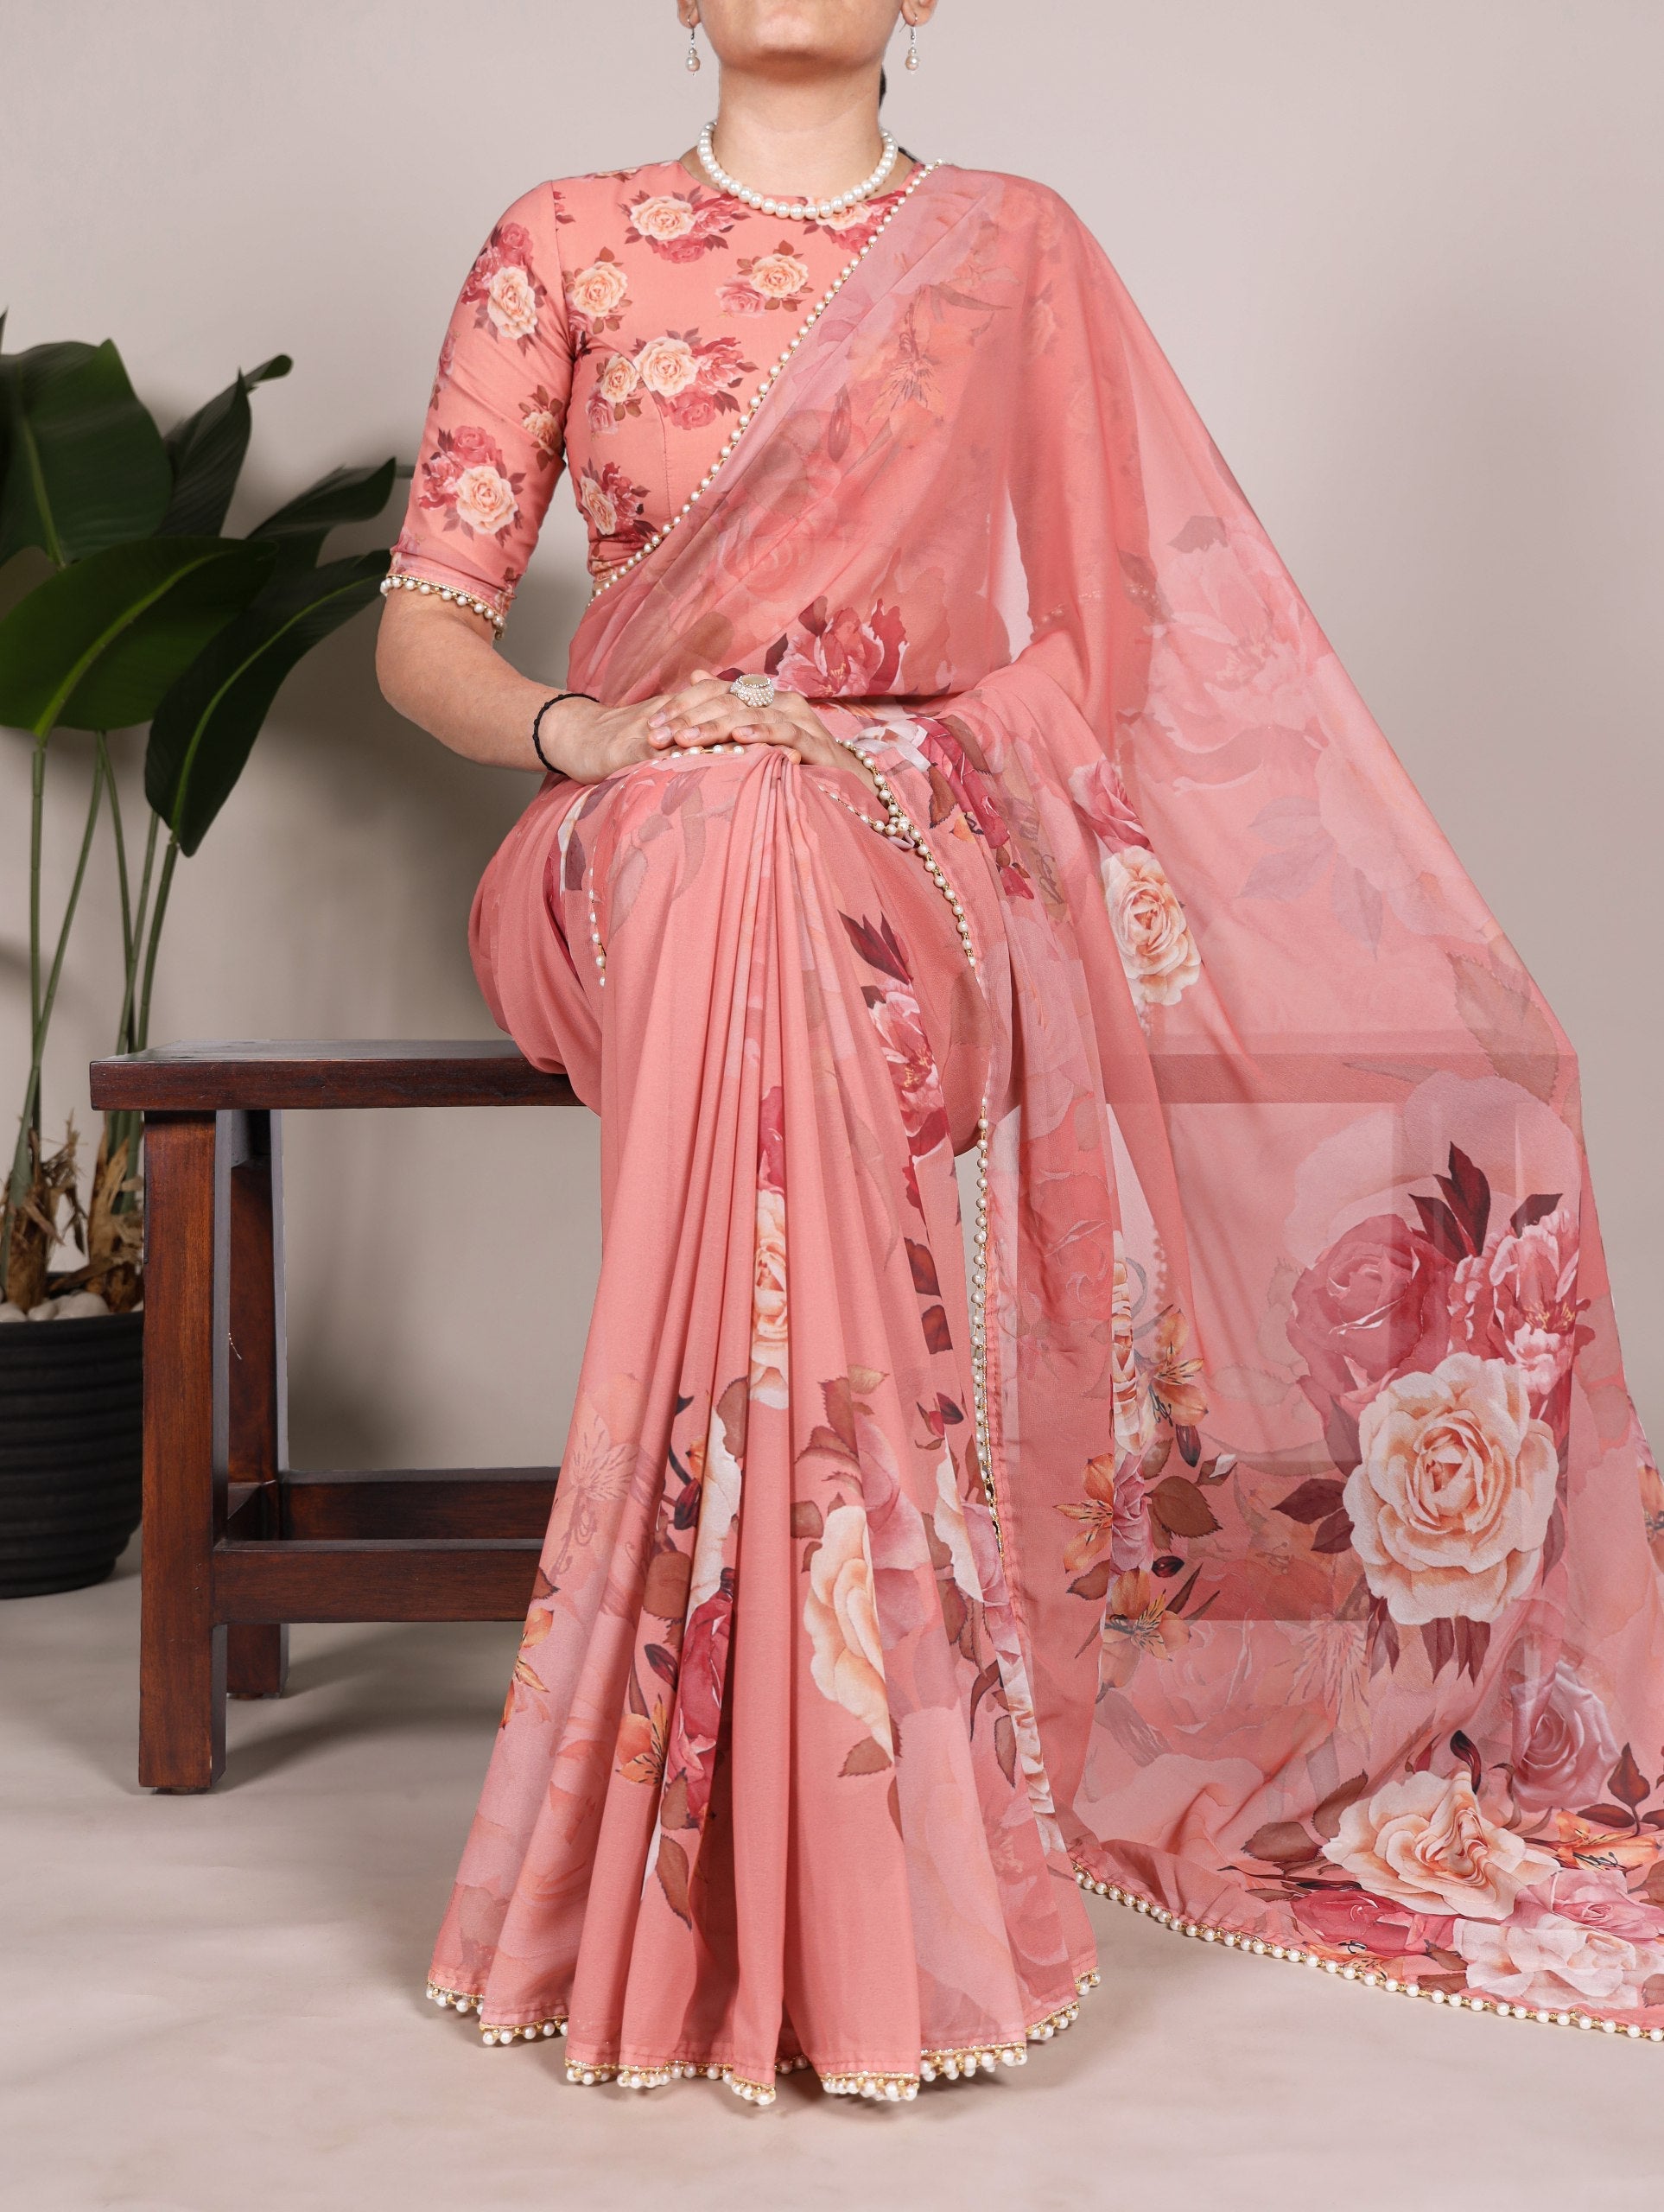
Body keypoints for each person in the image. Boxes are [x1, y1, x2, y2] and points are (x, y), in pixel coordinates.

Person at [375, 0, 1664, 2106]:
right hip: (625, 831)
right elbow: (423, 630)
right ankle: (865, 1831)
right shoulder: (567, 241)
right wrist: (594, 730)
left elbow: (1118, 643)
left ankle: (710, 1820)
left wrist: (896, 765)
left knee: (775, 840)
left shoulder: (1011, 248)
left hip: (924, 850)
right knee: (727, 828)